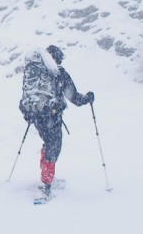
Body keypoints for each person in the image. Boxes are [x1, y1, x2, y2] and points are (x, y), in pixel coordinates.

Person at [18, 44, 93, 200]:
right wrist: (87, 98)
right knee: (53, 149)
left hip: (37, 117)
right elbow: (74, 98)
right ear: (57, 58)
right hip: (52, 116)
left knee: (48, 143)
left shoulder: (35, 74)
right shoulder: (59, 73)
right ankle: (46, 184)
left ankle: (45, 173)